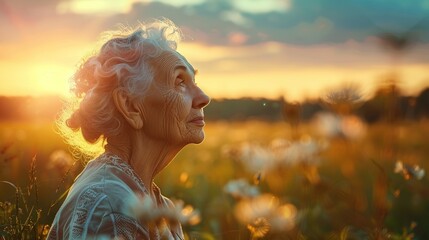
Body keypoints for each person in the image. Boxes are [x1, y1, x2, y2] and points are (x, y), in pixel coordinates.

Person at [47, 19, 210, 239]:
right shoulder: (110, 209)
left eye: (194, 81)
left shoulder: (153, 204)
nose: (203, 98)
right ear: (130, 106)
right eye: (180, 81)